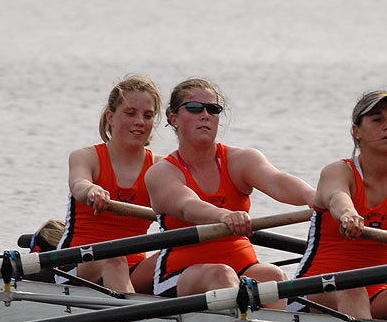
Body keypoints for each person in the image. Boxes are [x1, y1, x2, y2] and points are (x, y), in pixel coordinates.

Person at [145, 78, 315, 300]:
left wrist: (316, 198)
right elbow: (187, 206)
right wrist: (225, 215)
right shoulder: (162, 172)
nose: (205, 115)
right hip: (182, 273)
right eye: (195, 108)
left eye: (213, 109)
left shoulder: (241, 160)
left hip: (243, 266)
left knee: (274, 276)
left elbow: (278, 181)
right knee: (221, 275)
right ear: (174, 118)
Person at [289, 91, 387, 320]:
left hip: (375, 295)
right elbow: (336, 195)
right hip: (313, 292)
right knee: (352, 289)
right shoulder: (339, 171)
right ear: (356, 131)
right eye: (377, 119)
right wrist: (348, 214)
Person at [57, 74, 162, 294]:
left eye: (148, 115)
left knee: (186, 253)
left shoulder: (162, 169)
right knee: (114, 258)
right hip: (77, 264)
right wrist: (92, 190)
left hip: (135, 268)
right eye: (130, 113)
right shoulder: (86, 157)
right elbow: (79, 184)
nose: (140, 122)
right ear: (110, 117)